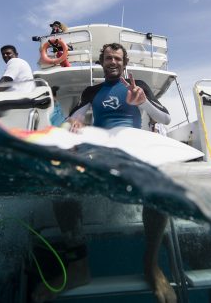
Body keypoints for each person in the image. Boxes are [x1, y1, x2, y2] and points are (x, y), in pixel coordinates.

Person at [32, 43, 175, 303]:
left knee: (158, 189)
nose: (113, 61)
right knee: (61, 185)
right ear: (102, 62)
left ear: (124, 62)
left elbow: (165, 119)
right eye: (108, 57)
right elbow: (72, 119)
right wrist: (74, 121)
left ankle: (151, 265)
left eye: (117, 58)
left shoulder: (137, 83)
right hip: (98, 145)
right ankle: (78, 266)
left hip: (131, 144)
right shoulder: (92, 90)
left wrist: (144, 102)